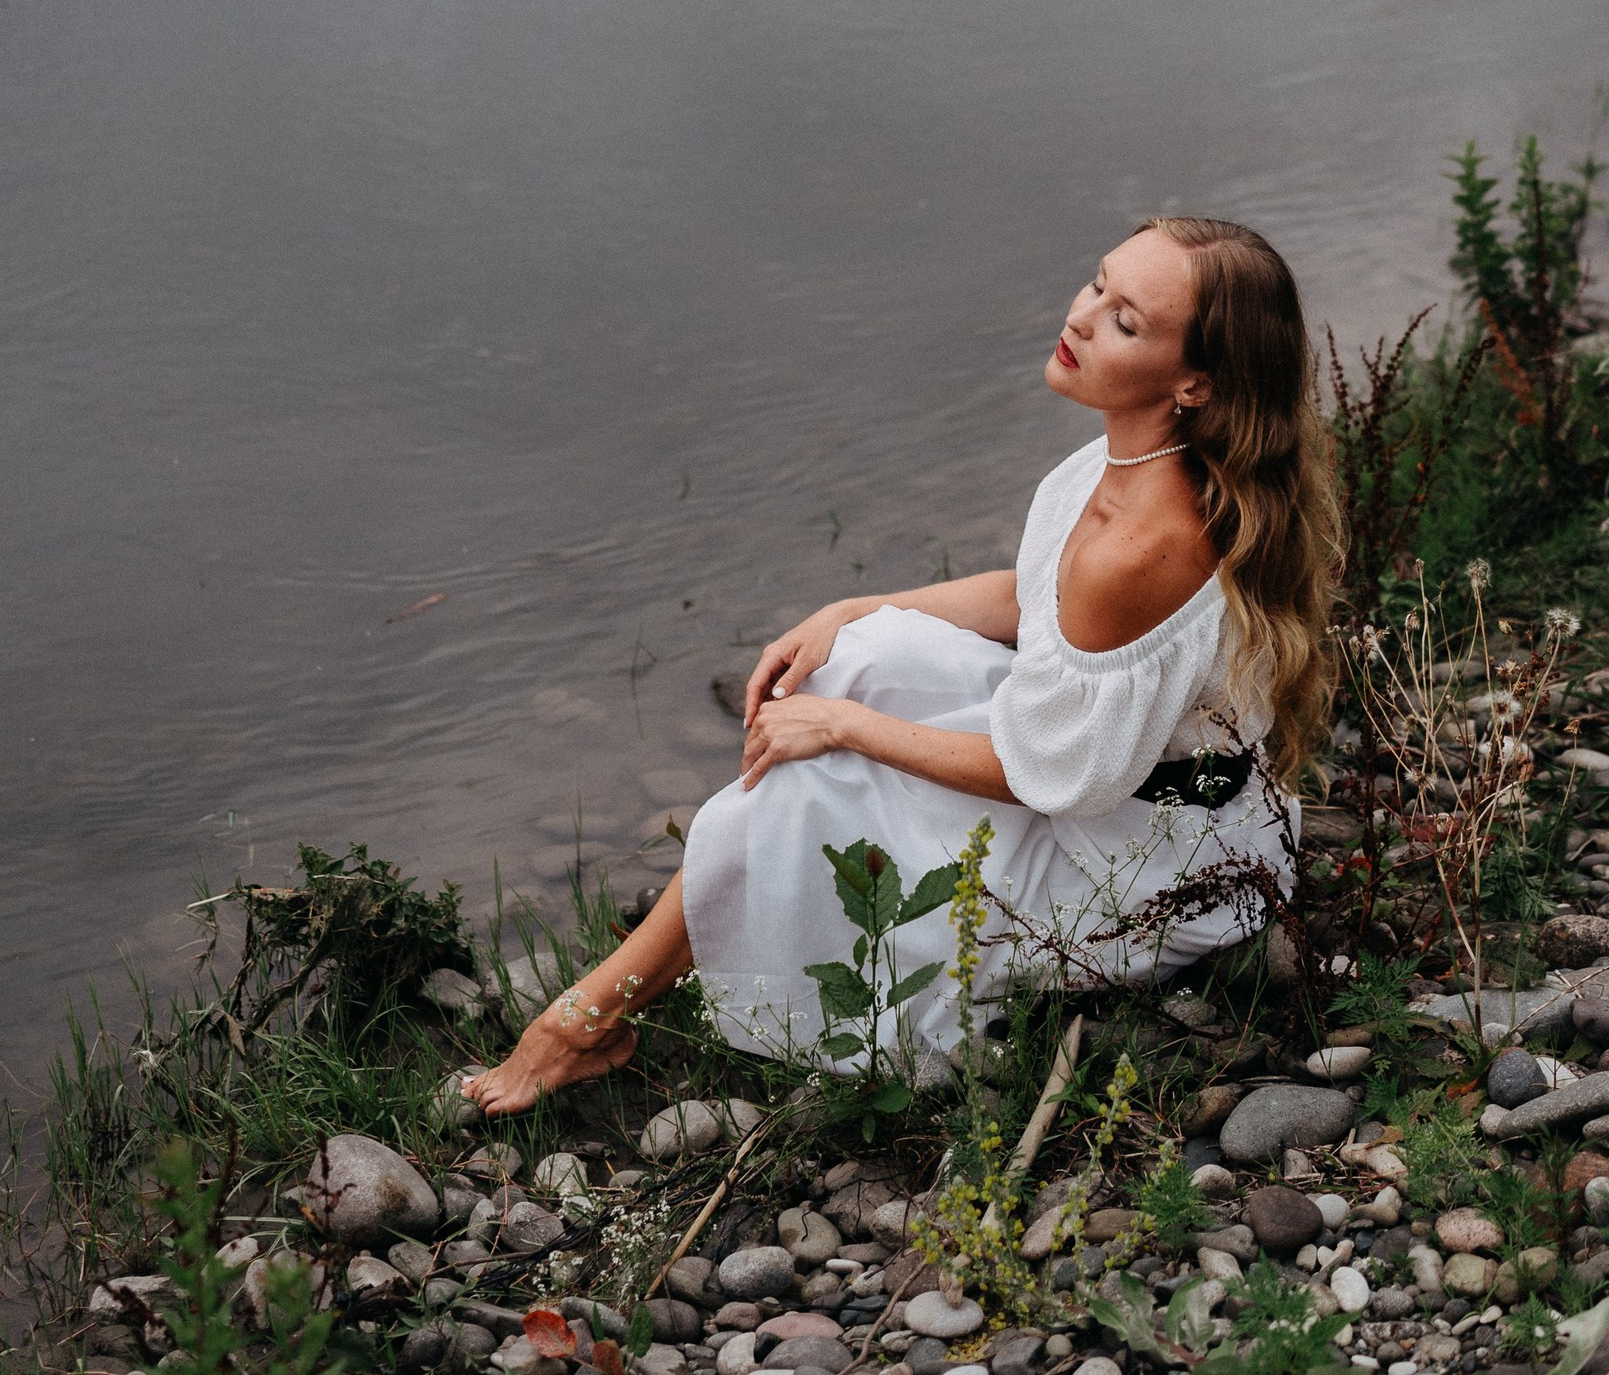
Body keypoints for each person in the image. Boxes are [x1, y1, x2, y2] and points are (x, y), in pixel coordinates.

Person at [462, 215, 1339, 1114]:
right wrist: (849, 611)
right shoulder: (1131, 457)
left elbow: (1046, 780)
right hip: (1126, 791)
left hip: (1145, 871)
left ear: (1193, 382)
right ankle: (686, 930)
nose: (1080, 317)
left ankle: (579, 1024)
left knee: (813, 782)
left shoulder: (1144, 546)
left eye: (1125, 322)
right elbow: (1029, 594)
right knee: (862, 655)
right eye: (1096, 285)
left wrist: (844, 729)